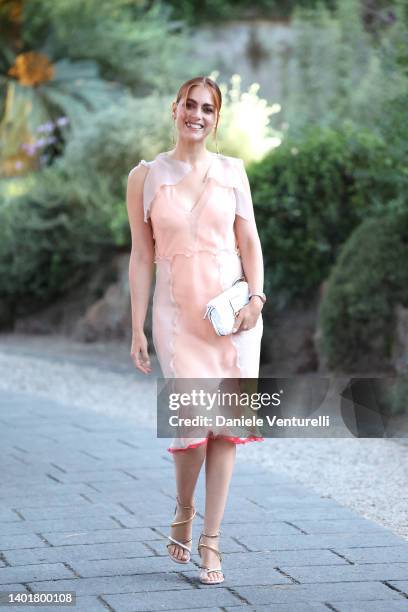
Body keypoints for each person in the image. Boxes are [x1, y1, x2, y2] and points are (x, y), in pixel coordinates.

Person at [126, 76, 266, 585]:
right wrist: (137, 325)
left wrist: (256, 297)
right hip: (175, 315)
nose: (198, 115)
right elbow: (142, 256)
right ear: (175, 108)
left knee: (224, 428)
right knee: (193, 427)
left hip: (231, 318)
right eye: (191, 105)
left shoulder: (233, 172)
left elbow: (249, 241)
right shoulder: (144, 177)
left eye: (208, 109)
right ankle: (183, 510)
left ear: (216, 118)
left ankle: (211, 540)